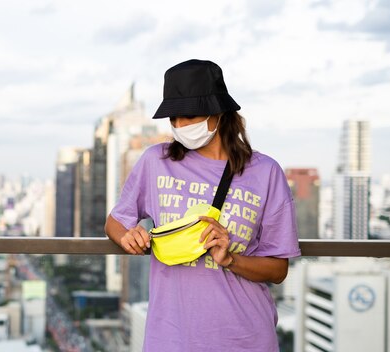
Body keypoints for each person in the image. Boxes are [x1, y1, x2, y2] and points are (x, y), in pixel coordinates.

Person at [105, 59, 301, 351]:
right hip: (171, 337)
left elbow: (278, 270)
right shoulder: (156, 162)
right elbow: (115, 221)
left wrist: (231, 258)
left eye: (190, 115)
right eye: (174, 118)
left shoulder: (265, 172)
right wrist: (127, 236)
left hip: (245, 338)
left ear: (218, 111)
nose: (181, 126)